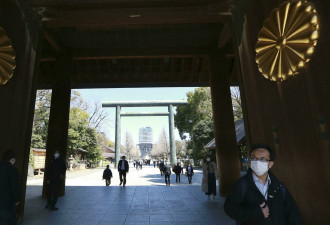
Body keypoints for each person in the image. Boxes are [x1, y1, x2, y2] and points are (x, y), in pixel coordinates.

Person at [224, 144, 303, 225]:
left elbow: (293, 214)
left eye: (262, 159)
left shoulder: (279, 186)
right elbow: (230, 208)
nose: (257, 162)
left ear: (270, 164)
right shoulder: (241, 184)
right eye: (254, 158)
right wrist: (255, 213)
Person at [0, 150, 19, 225]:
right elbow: (14, 186)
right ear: (12, 159)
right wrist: (17, 199)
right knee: (8, 220)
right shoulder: (13, 170)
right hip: (7, 201)